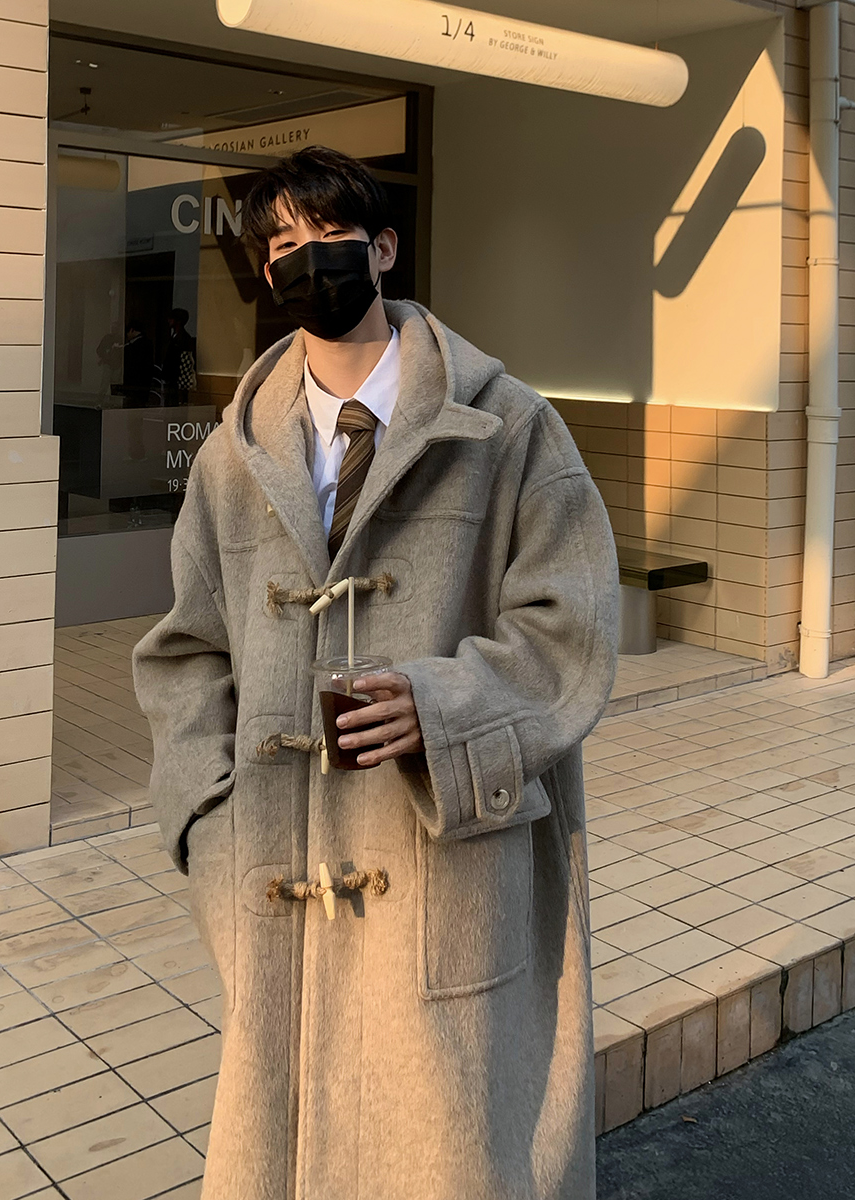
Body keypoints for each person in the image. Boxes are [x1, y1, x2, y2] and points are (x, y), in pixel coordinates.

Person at [133, 145, 619, 1200]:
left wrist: (445, 709)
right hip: (275, 874)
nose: (306, 257)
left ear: (385, 248)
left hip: (446, 868)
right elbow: (184, 651)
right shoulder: (231, 458)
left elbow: (572, 626)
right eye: (282, 242)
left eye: (330, 234)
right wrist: (206, 824)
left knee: (450, 1149)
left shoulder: (508, 429)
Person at [161, 306, 197, 405]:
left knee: (173, 402)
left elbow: (182, 360)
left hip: (176, 379)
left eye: (171, 318)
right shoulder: (175, 337)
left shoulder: (183, 338)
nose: (169, 320)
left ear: (178, 321)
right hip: (172, 378)